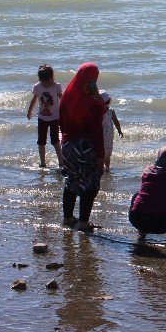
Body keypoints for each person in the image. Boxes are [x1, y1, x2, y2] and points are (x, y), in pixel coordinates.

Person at [59, 62, 108, 231]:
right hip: (86, 146)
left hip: (67, 144)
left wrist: (66, 141)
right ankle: (84, 222)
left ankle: (67, 218)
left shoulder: (69, 95)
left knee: (71, 181)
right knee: (89, 184)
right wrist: (101, 155)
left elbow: (61, 121)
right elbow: (96, 130)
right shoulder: (91, 102)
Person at [26, 64, 63, 169]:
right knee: (41, 140)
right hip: (42, 118)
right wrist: (29, 111)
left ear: (52, 78)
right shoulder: (37, 86)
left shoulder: (57, 86)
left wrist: (65, 111)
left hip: (55, 118)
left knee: (55, 140)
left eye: (47, 82)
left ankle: (61, 161)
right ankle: (43, 162)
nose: (45, 84)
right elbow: (34, 99)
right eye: (43, 82)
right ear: (40, 79)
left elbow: (62, 99)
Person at [99, 91, 123, 171]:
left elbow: (116, 121)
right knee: (104, 153)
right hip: (102, 135)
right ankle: (103, 167)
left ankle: (107, 167)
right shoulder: (98, 112)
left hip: (107, 136)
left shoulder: (110, 111)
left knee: (107, 153)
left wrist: (119, 130)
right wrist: (119, 130)